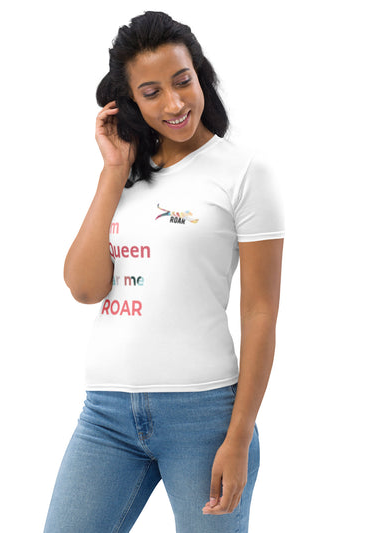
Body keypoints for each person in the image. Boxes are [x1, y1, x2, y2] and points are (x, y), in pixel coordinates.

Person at [42, 10, 285, 533]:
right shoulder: (125, 174)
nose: (174, 104)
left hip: (204, 418)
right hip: (105, 415)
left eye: (182, 81)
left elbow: (261, 312)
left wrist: (239, 436)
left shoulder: (243, 173)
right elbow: (84, 287)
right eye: (151, 93)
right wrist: (113, 171)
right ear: (131, 101)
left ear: (200, 75)